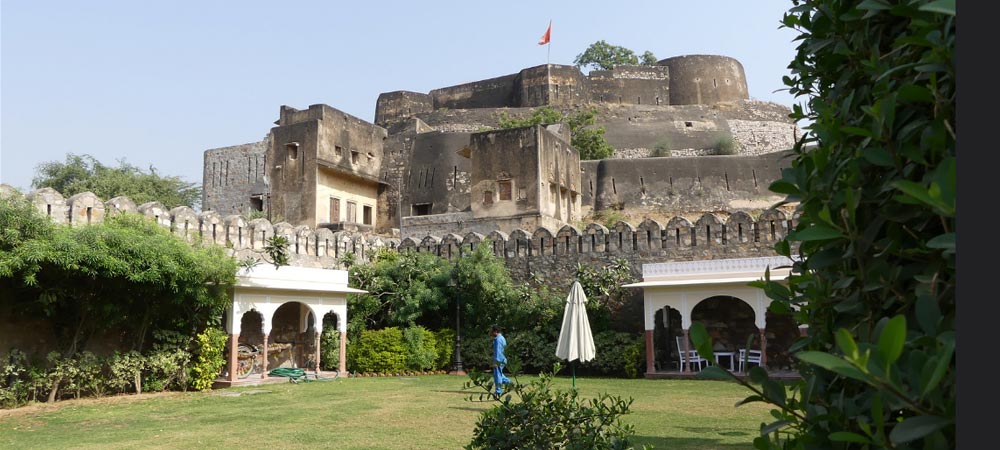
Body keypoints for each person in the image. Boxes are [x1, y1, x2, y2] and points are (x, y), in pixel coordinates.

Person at [490, 324, 511, 396]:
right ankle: (510, 383)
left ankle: (498, 391)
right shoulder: (502, 338)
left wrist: (496, 362)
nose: (490, 333)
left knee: (497, 376)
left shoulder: (497, 340)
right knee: (500, 375)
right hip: (503, 359)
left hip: (499, 360)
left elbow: (498, 351)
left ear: (495, 331)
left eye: (491, 331)